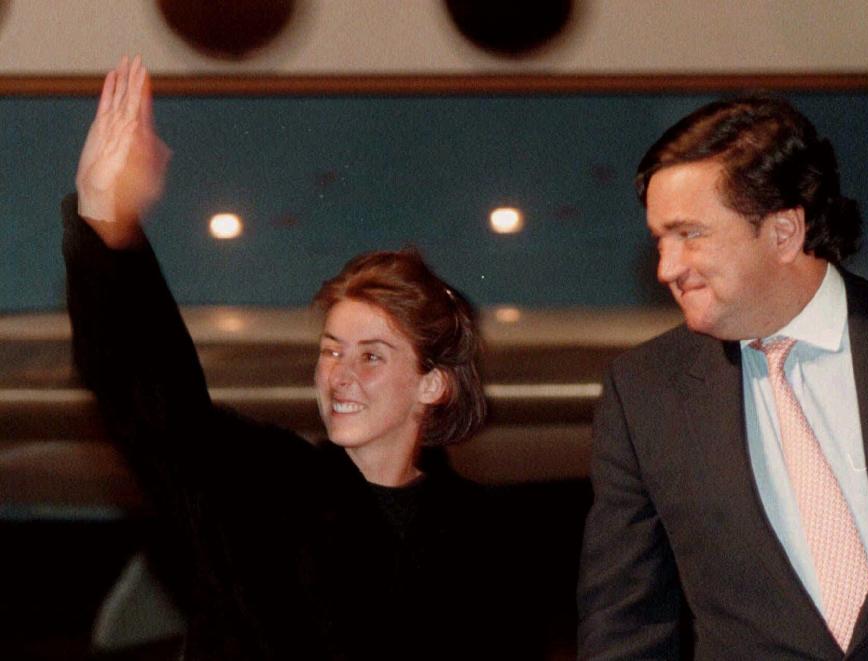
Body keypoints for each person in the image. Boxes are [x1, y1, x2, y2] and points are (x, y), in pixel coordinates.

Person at [64, 56, 528, 659]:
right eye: (331, 350)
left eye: (371, 356)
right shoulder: (256, 489)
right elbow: (149, 398)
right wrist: (106, 225)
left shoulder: (484, 540)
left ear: (432, 385)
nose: (340, 374)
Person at [577, 96, 868, 659]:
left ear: (783, 232)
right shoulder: (645, 393)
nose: (667, 268)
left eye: (691, 234)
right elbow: (626, 625)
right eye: (660, 239)